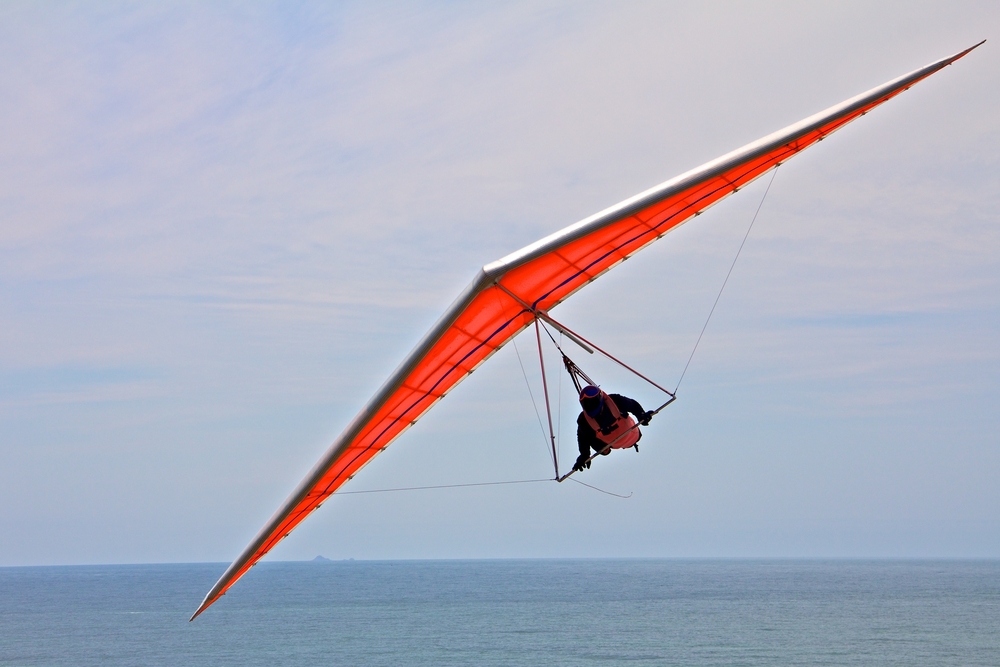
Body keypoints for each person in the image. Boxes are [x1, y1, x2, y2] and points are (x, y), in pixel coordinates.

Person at [573, 385, 653, 472]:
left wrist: (641, 415)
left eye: (593, 403)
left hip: (632, 434)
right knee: (586, 433)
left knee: (588, 431)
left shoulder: (614, 401)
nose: (591, 406)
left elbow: (632, 405)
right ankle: (604, 450)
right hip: (612, 443)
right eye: (587, 404)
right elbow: (582, 437)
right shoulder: (584, 420)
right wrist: (584, 455)